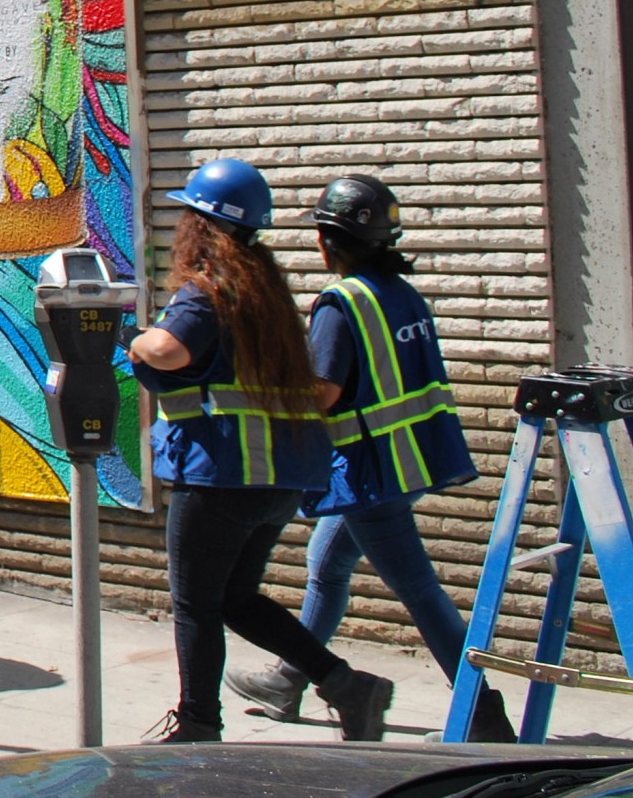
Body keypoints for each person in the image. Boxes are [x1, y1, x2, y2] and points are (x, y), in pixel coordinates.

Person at [227, 175, 512, 741]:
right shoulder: (400, 292)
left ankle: (483, 713)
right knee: (327, 566)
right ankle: (290, 678)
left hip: (367, 474)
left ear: (325, 240)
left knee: (419, 591)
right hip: (404, 464)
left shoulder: (341, 304)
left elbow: (324, 393)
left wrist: (258, 388)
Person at [127, 157, 396, 743]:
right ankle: (349, 687)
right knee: (236, 598)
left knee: (195, 605)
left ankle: (198, 723)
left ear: (201, 225)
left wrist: (137, 339)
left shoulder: (207, 291)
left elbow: (169, 352)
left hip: (221, 477)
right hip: (278, 479)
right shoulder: (266, 293)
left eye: (187, 217)